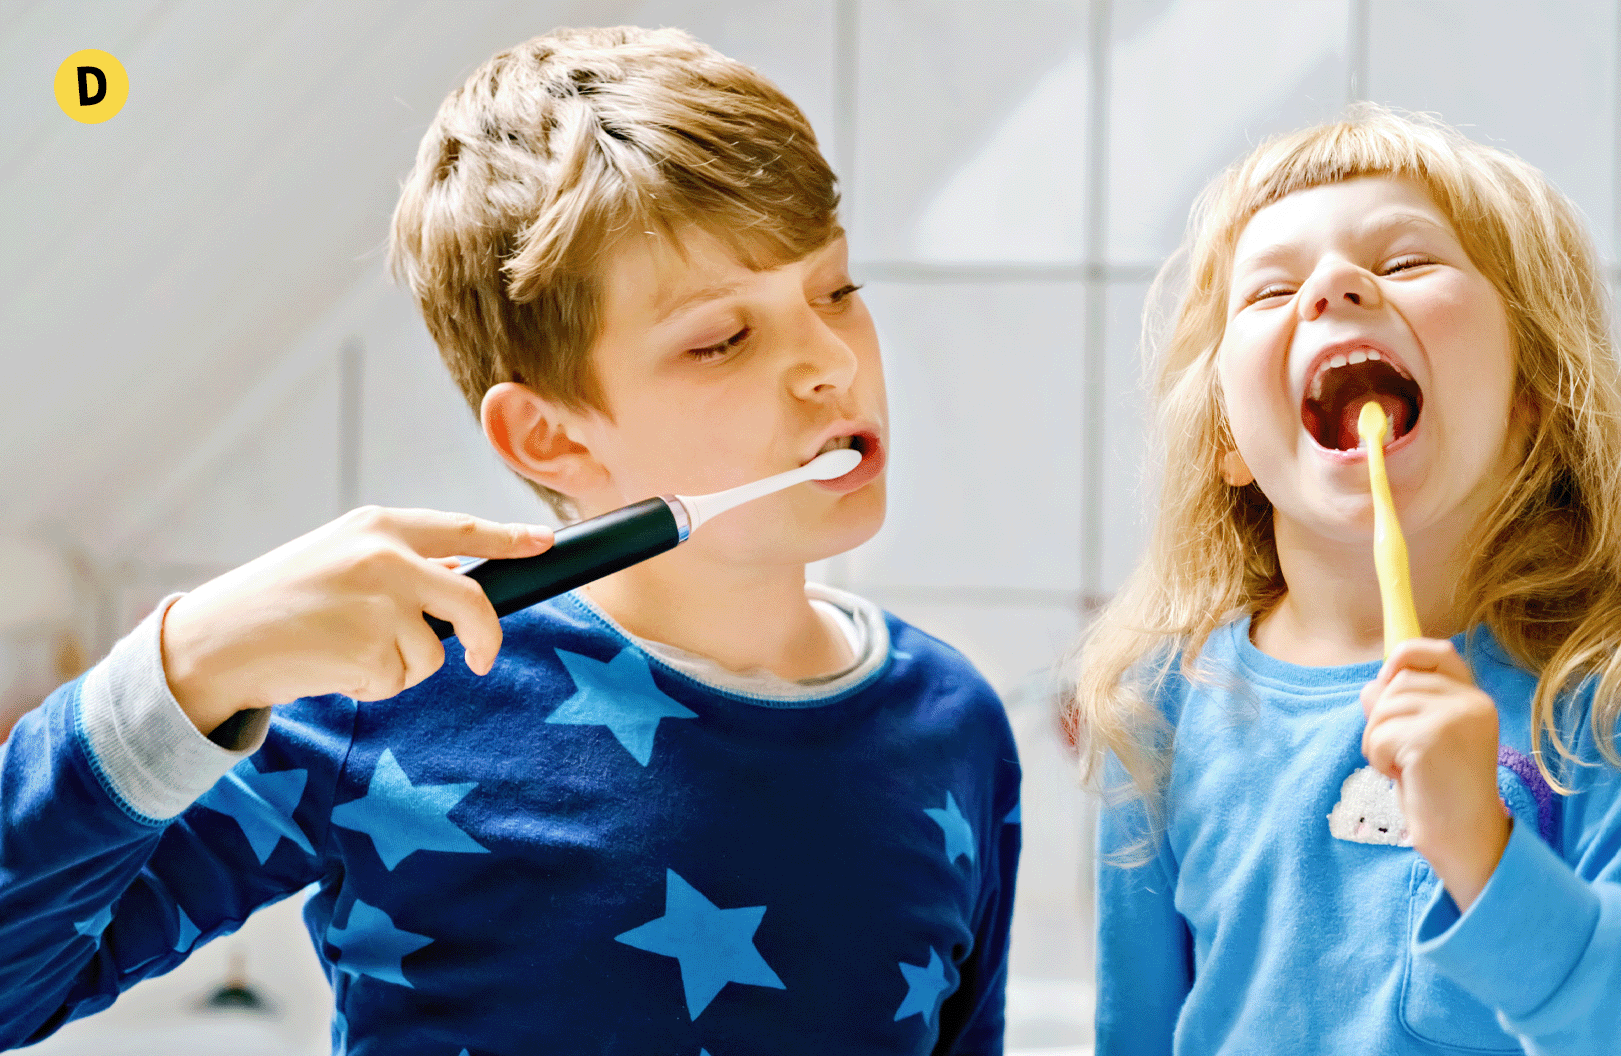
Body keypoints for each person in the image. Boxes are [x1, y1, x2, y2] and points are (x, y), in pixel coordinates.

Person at [0, 26, 1018, 1055]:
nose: (831, 362)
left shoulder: (956, 728)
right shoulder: (392, 691)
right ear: (552, 435)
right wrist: (196, 655)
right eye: (723, 338)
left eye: (836, 291)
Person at [1077, 107, 1621, 1055]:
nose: (1331, 285)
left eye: (1405, 262)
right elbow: (1138, 1031)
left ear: (1531, 396)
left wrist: (1486, 855)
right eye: (1271, 290)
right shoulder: (1160, 709)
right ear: (1230, 439)